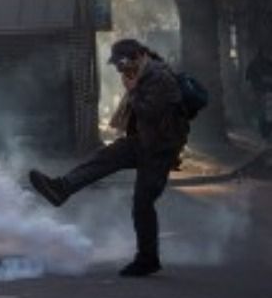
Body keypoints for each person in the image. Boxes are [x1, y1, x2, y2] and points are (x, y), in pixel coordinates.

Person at [28, 38, 189, 277]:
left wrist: (133, 91)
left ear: (134, 57)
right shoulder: (145, 72)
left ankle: (148, 259)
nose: (118, 70)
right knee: (103, 158)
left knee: (142, 205)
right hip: (142, 142)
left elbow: (150, 112)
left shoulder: (158, 77)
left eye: (120, 64)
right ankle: (61, 188)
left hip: (159, 150)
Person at [245, 50, 272, 142]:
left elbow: (247, 79)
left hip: (258, 92)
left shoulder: (252, 64)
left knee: (261, 113)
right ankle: (268, 132)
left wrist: (250, 90)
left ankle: (264, 133)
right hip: (269, 92)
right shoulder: (271, 64)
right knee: (269, 113)